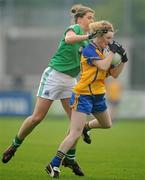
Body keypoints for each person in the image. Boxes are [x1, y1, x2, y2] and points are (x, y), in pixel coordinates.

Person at [2, 4, 96, 176]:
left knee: (76, 123)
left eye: (93, 18)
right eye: (90, 17)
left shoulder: (87, 40)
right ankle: (14, 145)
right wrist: (89, 35)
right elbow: (69, 39)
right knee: (37, 117)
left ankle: (70, 158)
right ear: (80, 18)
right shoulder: (74, 28)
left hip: (70, 81)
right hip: (54, 76)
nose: (92, 21)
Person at [45, 20, 128, 178]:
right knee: (74, 133)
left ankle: (86, 127)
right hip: (82, 95)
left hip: (98, 95)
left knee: (107, 124)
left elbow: (115, 74)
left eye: (112, 39)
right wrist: (112, 53)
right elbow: (103, 66)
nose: (110, 42)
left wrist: (123, 60)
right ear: (100, 36)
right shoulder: (89, 49)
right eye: (108, 38)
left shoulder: (104, 51)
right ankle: (53, 164)